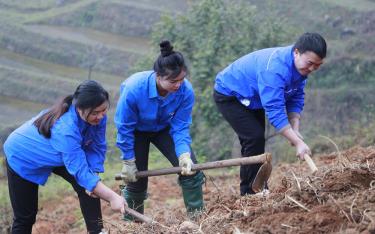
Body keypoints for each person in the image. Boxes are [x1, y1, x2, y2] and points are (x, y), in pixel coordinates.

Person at [4, 80, 126, 234]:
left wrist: (94, 172)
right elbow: (81, 171)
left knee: (89, 185)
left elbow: (97, 146)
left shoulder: (98, 117)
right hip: (23, 155)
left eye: (103, 110)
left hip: (60, 153)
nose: (100, 116)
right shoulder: (65, 129)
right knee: (25, 217)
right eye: (95, 113)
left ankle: (97, 231)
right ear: (79, 108)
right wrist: (113, 197)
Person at [213, 32, 327, 196]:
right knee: (254, 137)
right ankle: (251, 193)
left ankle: (256, 188)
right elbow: (275, 111)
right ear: (296, 52)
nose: (311, 69)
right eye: (310, 63)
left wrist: (295, 128)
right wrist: (297, 143)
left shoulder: (300, 69)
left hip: (254, 97)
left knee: (256, 140)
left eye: (317, 66)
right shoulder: (275, 69)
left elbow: (296, 96)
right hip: (230, 94)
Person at [115, 40, 204, 220]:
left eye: (181, 79)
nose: (178, 85)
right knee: (136, 180)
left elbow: (180, 125)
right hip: (136, 131)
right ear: (158, 76)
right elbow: (125, 128)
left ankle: (199, 219)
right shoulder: (134, 89)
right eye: (173, 81)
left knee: (190, 169)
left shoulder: (185, 91)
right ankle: (133, 226)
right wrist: (128, 160)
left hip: (164, 128)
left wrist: (183, 154)